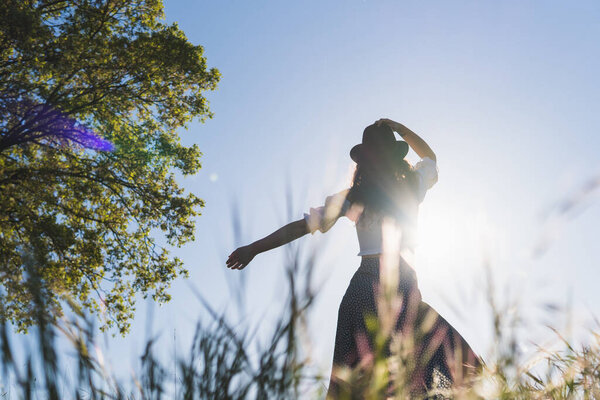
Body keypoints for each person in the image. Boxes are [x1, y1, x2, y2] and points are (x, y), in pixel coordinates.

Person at [226, 118, 482, 398]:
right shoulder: (411, 186)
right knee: (426, 360)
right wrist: (400, 129)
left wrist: (253, 249)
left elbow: (301, 227)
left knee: (381, 373)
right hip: (391, 286)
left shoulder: (356, 196)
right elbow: (430, 157)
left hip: (371, 287)